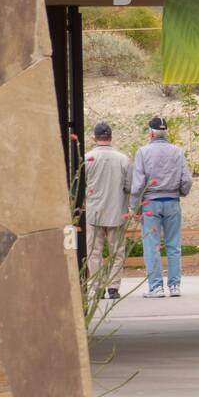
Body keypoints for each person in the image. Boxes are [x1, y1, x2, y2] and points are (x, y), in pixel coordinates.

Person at [130, 116, 193, 299]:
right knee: (174, 245)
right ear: (166, 132)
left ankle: (156, 287)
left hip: (150, 203)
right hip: (172, 202)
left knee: (152, 246)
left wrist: (135, 207)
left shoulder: (143, 152)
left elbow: (138, 184)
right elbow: (187, 179)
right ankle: (174, 286)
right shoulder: (177, 151)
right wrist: (180, 192)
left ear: (150, 133)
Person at [84, 122, 131, 301]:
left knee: (94, 253)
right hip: (117, 213)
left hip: (93, 213)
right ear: (111, 137)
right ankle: (113, 287)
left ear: (94, 138)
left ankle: (96, 287)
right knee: (117, 252)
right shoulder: (123, 159)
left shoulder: (87, 159)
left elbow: (81, 186)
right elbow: (129, 187)